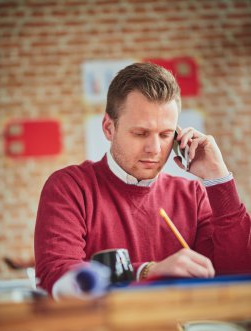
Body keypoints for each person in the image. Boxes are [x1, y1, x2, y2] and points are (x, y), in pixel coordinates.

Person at [34, 62, 251, 296]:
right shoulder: (70, 187)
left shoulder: (192, 195)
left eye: (166, 134)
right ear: (109, 128)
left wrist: (218, 179)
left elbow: (237, 275)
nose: (154, 148)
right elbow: (56, 274)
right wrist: (148, 272)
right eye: (140, 133)